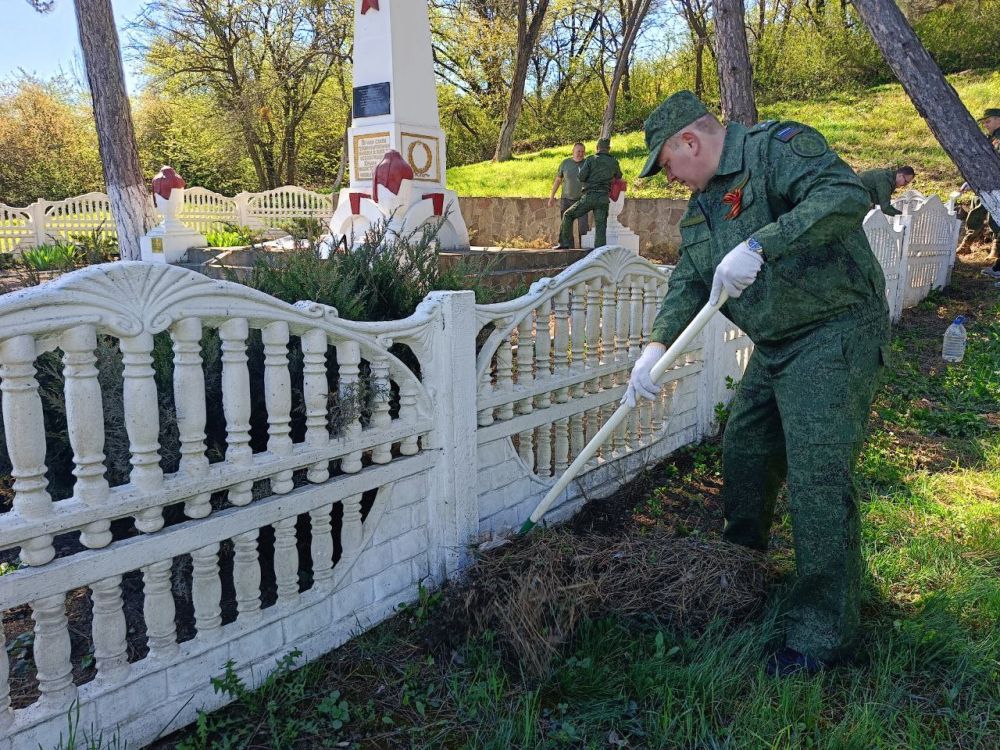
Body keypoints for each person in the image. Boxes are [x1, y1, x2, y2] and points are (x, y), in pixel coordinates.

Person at [625, 91, 890, 677]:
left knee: (817, 475)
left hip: (834, 328)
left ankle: (822, 634)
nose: (670, 179)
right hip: (776, 345)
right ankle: (740, 579)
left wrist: (761, 243)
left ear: (689, 141)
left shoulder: (775, 150)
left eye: (666, 165)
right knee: (745, 450)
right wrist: (654, 349)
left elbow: (843, 196)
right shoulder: (702, 208)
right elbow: (688, 284)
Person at [556, 138, 622, 250]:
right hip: (603, 198)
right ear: (609, 149)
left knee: (568, 215)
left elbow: (581, 177)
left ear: (597, 148)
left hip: (590, 196)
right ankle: (600, 252)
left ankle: (564, 243)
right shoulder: (614, 162)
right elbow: (618, 176)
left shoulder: (591, 159)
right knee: (601, 227)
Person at [958, 108, 1000, 273]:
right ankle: (968, 242)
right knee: (977, 207)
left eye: (988, 121)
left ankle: (996, 248)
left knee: (995, 217)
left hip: (995, 185)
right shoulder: (991, 138)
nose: (985, 125)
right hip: (985, 184)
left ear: (998, 120)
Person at [549, 142, 589, 247]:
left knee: (583, 227)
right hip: (566, 199)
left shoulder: (587, 164)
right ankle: (568, 249)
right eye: (578, 151)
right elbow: (558, 180)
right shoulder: (565, 163)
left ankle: (584, 249)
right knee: (566, 226)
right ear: (573, 151)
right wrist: (552, 196)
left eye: (582, 151)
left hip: (582, 201)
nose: (580, 154)